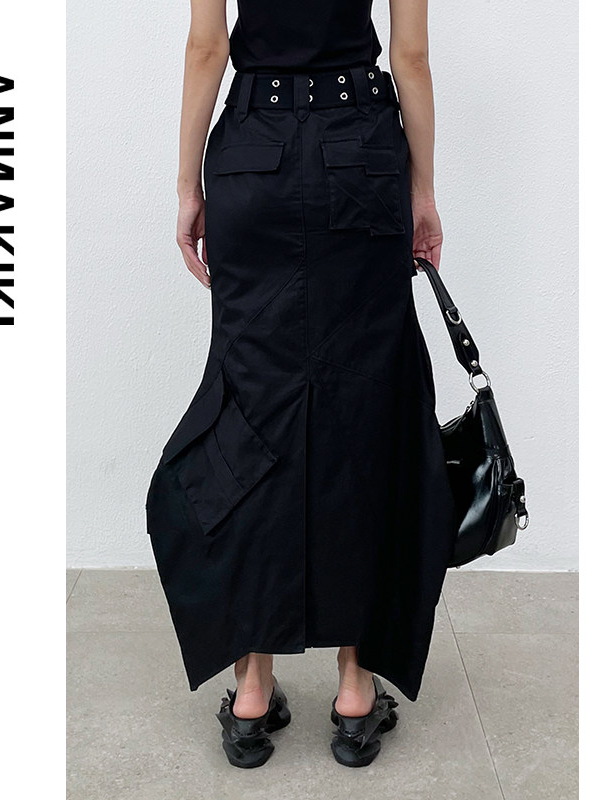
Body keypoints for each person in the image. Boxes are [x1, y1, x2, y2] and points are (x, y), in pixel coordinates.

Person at [146, 0, 454, 768]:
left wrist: (188, 187)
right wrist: (421, 190)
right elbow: (410, 59)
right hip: (363, 153)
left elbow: (207, 47)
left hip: (253, 157)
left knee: (250, 411)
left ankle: (252, 686)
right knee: (365, 410)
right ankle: (355, 686)